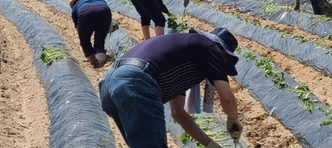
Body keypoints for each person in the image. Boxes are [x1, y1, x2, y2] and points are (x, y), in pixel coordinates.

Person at [99, 27, 243, 148]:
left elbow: (177, 112)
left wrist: (209, 144)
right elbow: (227, 98)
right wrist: (233, 120)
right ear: (222, 52)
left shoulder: (185, 56)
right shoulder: (209, 47)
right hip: (136, 82)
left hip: (111, 83)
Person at [70, 0, 112, 68]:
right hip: (104, 11)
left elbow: (77, 27)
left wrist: (84, 35)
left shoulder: (76, 6)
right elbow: (107, 11)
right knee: (100, 40)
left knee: (85, 41)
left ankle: (93, 61)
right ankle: (101, 60)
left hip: (85, 13)